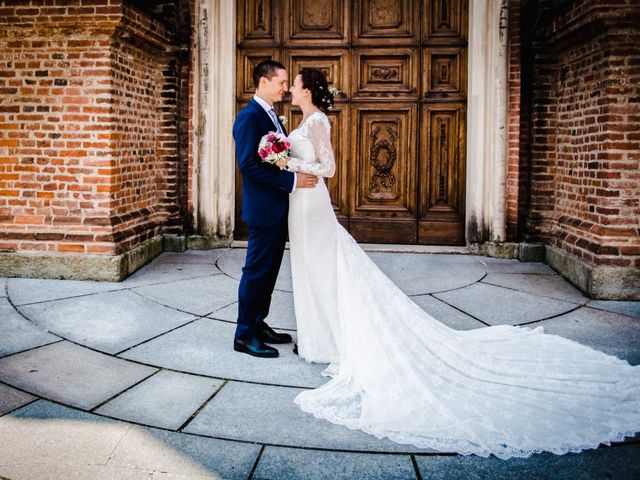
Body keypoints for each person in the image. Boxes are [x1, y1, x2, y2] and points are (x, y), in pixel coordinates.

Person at [276, 67, 640, 459]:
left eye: (294, 84)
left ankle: (332, 341)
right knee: (310, 271)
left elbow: (327, 167)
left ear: (308, 90)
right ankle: (317, 339)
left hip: (312, 204)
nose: (290, 88)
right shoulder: (298, 121)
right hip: (300, 205)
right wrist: (285, 160)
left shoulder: (316, 121)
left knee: (325, 271)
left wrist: (288, 164)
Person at [232, 60, 318, 358]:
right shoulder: (249, 117)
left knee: (268, 274)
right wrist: (291, 180)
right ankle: (244, 335)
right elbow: (248, 165)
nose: (285, 88)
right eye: (281, 82)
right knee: (256, 272)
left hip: (278, 209)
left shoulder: (271, 115)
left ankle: (258, 323)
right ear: (263, 82)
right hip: (264, 209)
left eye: (286, 84)